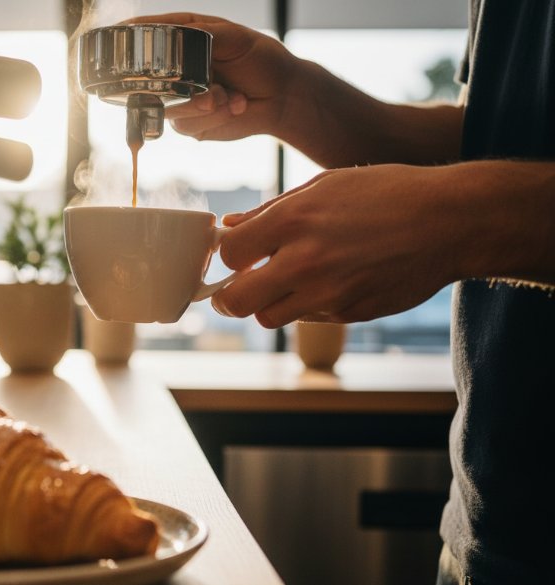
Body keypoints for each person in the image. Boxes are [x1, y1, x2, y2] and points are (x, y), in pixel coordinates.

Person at [128, 4, 555, 584]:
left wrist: (461, 215)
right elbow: (501, 136)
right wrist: (296, 99)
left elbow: (480, 183)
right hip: (482, 531)